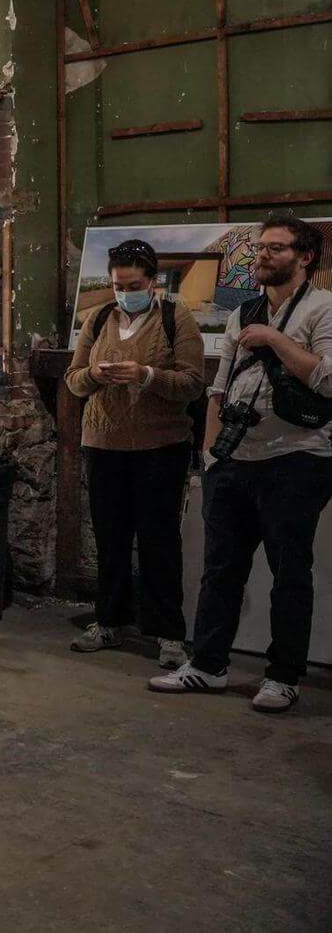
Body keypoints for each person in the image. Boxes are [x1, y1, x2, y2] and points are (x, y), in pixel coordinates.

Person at [151, 213, 332, 713]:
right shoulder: (243, 312)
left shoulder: (322, 308)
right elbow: (219, 388)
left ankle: (283, 676)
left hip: (298, 458)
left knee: (289, 572)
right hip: (235, 460)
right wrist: (211, 456)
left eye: (276, 247)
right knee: (221, 568)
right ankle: (208, 665)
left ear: (305, 256)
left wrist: (274, 339)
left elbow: (328, 380)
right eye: (260, 247)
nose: (263, 255)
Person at [63, 239, 204, 666]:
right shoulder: (98, 319)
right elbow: (73, 380)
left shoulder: (176, 319)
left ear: (152, 282)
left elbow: (192, 383)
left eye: (133, 285)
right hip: (104, 445)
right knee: (110, 538)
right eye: (118, 286)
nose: (125, 293)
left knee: (159, 540)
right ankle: (109, 620)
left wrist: (146, 375)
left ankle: (167, 633)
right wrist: (95, 374)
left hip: (159, 447)